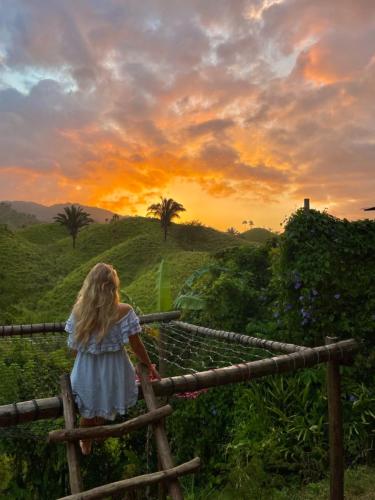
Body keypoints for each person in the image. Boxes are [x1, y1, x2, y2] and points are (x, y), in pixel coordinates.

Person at [64, 262, 160, 455]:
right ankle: (93, 437)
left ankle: (86, 441)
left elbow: (74, 349)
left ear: (89, 285)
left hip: (86, 371)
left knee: (88, 407)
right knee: (101, 406)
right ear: (112, 286)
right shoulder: (124, 311)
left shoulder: (79, 312)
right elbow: (136, 345)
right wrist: (149, 366)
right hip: (115, 371)